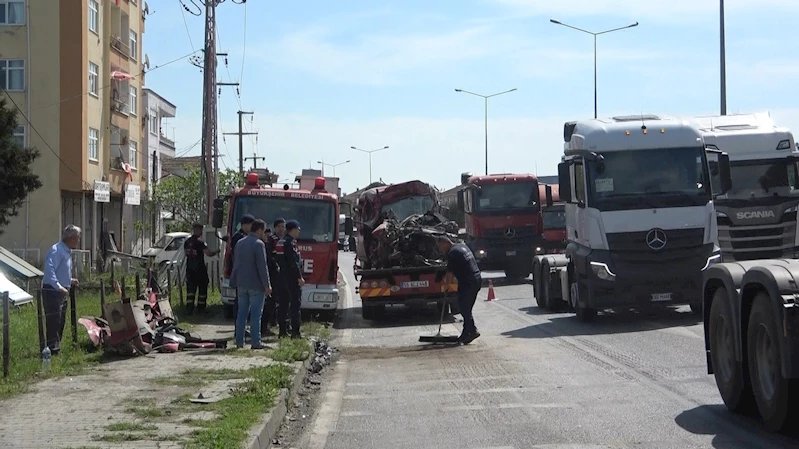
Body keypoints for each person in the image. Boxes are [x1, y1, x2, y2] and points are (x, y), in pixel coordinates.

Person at [229, 219, 272, 349]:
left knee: (241, 314)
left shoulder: (240, 243)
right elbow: (262, 267)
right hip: (256, 285)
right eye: (263, 231)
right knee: (255, 315)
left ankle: (239, 342)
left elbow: (236, 264)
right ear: (259, 230)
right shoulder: (259, 244)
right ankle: (255, 342)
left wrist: (233, 280)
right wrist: (267, 285)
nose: (263, 234)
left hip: (241, 284)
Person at [41, 225, 81, 355]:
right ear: (71, 238)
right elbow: (50, 271)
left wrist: (69, 281)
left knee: (60, 320)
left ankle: (56, 348)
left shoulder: (65, 251)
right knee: (54, 320)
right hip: (53, 291)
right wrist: (58, 286)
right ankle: (51, 349)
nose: (78, 240)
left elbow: (60, 271)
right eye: (77, 237)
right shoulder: (56, 250)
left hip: (61, 290)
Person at [435, 235, 482, 345]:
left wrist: (446, 286)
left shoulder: (452, 253)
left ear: (445, 243)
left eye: (440, 246)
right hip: (476, 279)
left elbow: (450, 273)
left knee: (464, 307)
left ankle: (472, 331)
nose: (440, 250)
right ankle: (467, 333)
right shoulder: (461, 246)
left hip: (468, 282)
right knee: (465, 308)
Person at [276, 219, 305, 339]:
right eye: (298, 229)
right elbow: (293, 263)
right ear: (292, 230)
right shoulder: (290, 243)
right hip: (291, 278)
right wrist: (299, 277)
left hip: (281, 276)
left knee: (283, 304)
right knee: (294, 304)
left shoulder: (281, 241)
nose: (299, 232)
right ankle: (295, 332)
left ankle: (282, 330)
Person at [183, 223, 220, 314]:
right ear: (198, 230)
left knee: (190, 290)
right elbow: (208, 253)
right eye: (201, 230)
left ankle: (189, 309)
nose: (201, 232)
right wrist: (217, 251)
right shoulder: (200, 242)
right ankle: (201, 308)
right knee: (203, 288)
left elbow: (186, 254)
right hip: (199, 269)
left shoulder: (187, 242)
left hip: (189, 269)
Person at [264, 218, 287, 333]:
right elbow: (269, 256)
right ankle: (268, 323)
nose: (281, 229)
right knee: (271, 299)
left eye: (283, 226)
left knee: (280, 299)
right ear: (275, 228)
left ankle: (276, 320)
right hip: (273, 272)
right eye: (279, 226)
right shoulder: (272, 240)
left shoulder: (285, 239)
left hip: (282, 274)